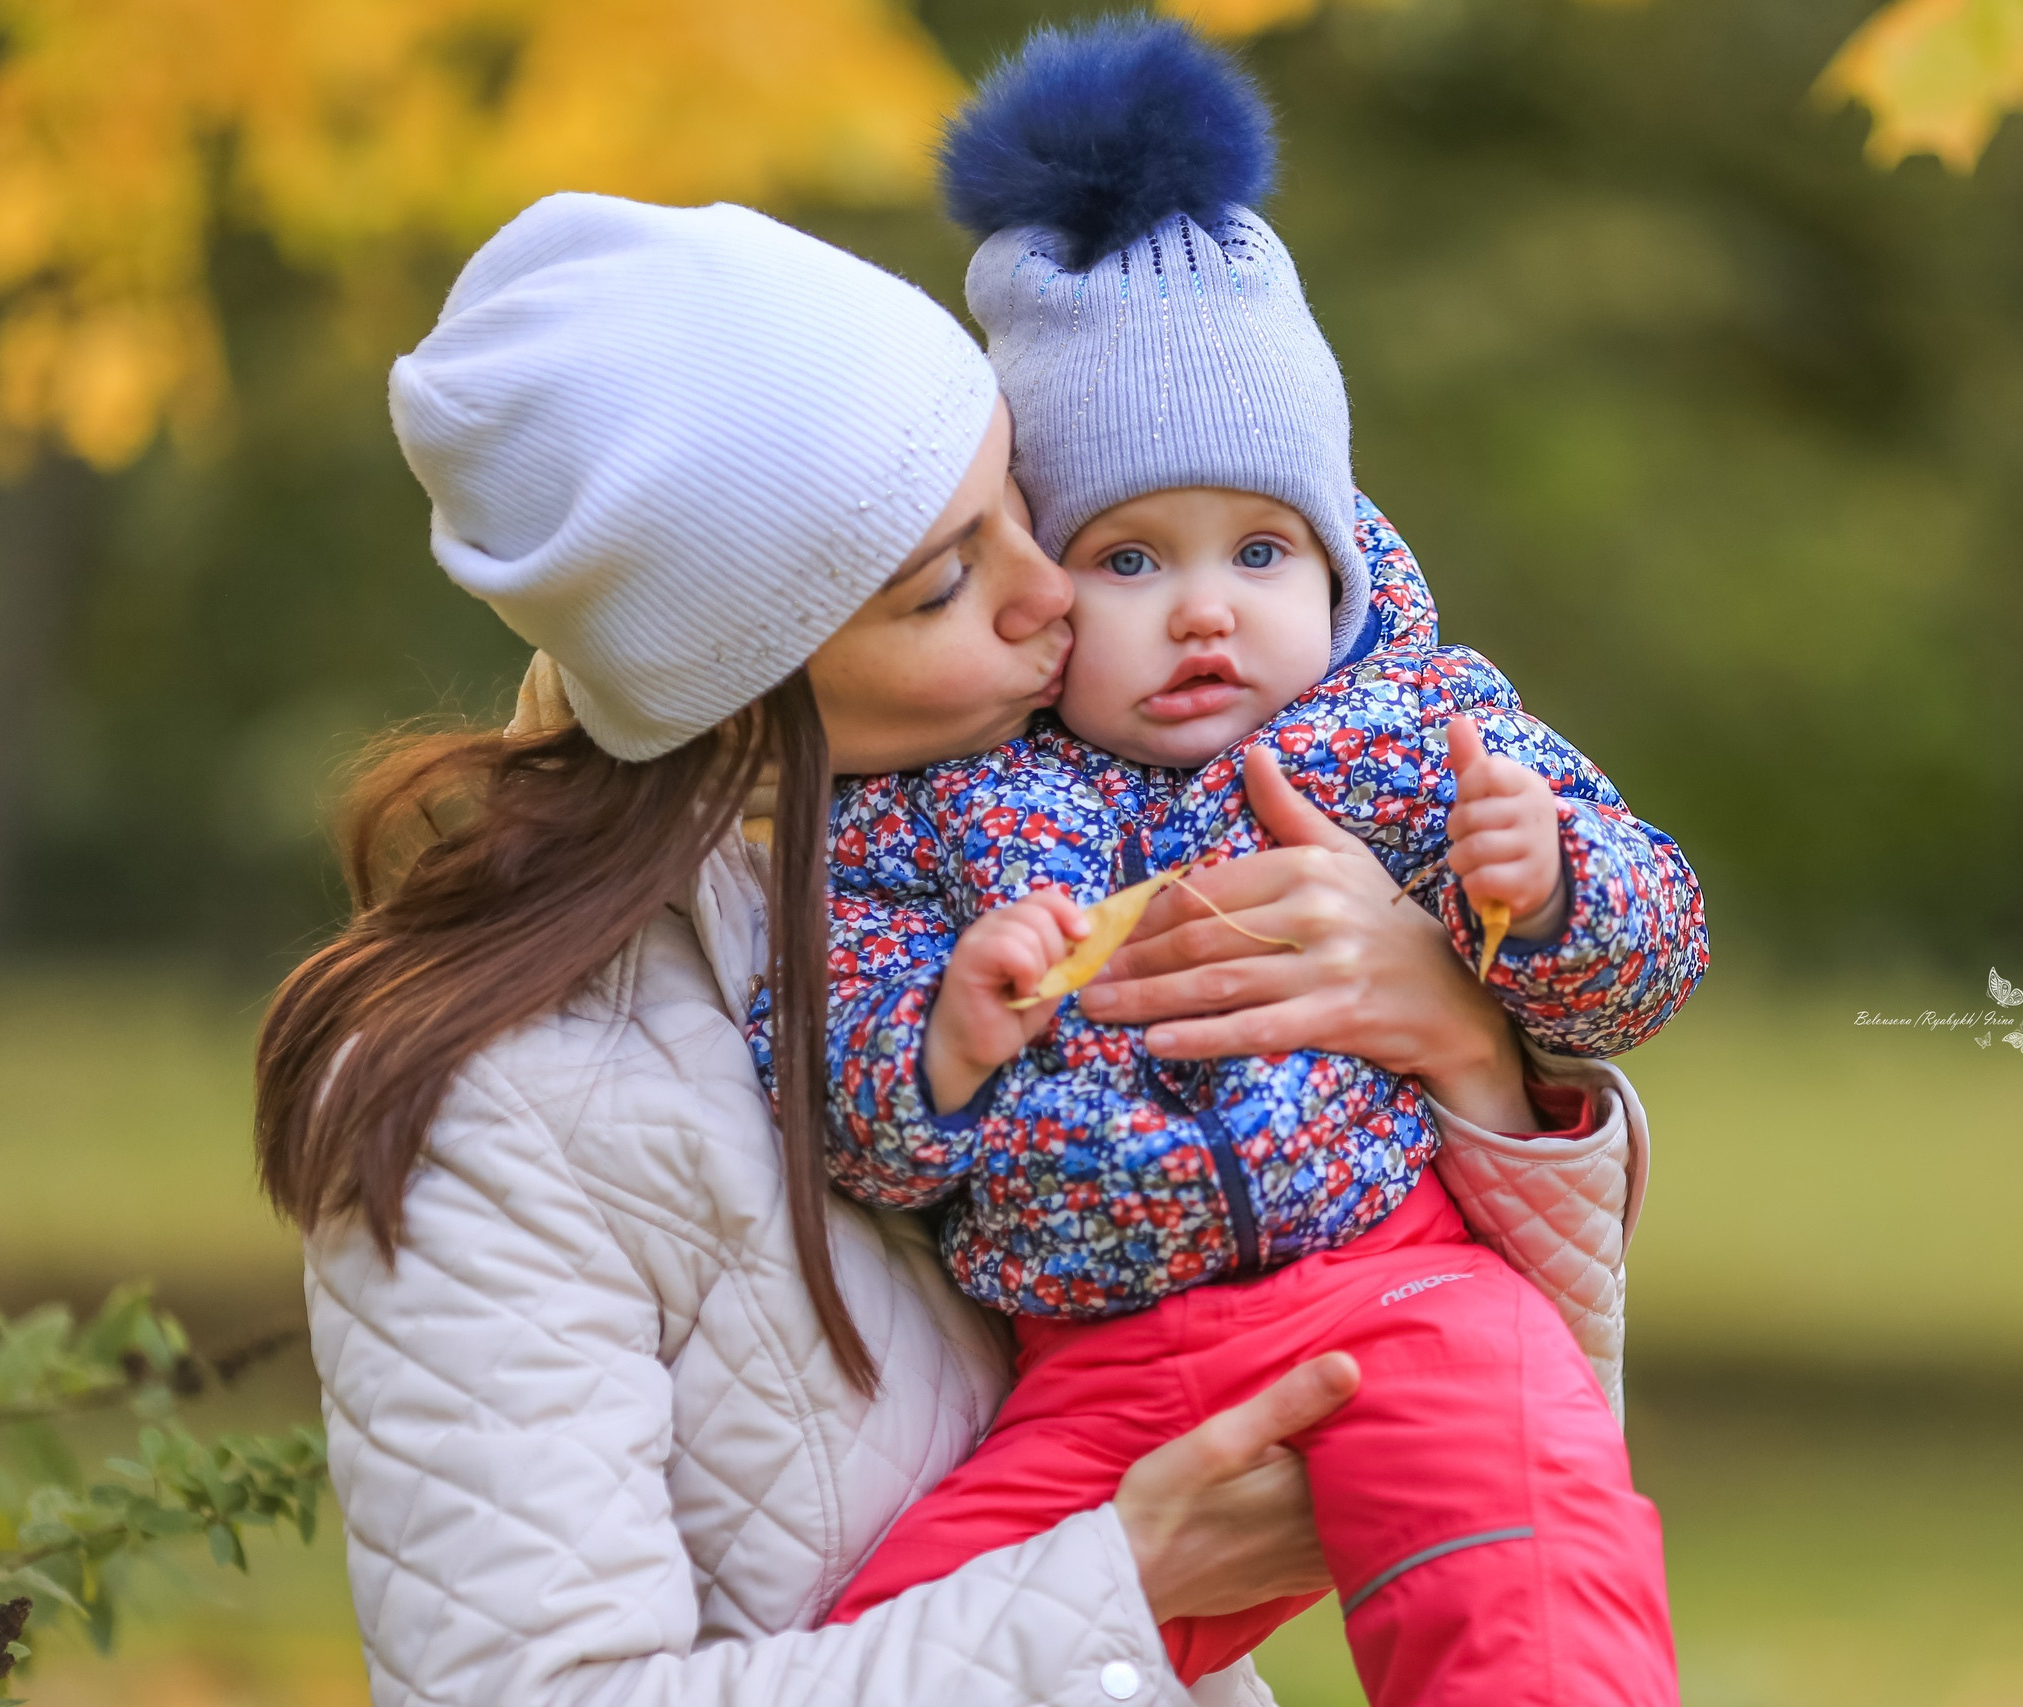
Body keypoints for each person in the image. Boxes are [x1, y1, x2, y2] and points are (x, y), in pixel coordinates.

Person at [252, 191, 1633, 1707]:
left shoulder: (1109, 801)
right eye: (947, 581)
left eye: (1017, 512)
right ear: (740, 678)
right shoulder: (496, 1111)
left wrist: (1465, 1044)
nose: (1056, 595)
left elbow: (1520, 1451)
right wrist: (1128, 1578)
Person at [817, 23, 1702, 1707]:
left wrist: (1554, 880)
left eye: (1262, 547)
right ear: (1036, 585)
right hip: (1097, 1360)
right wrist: (943, 1037)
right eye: (1131, 556)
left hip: (1406, 1295)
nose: (1207, 607)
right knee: (912, 1648)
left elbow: (1652, 958)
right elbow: (846, 1093)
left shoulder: (1418, 730)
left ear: (1340, 550)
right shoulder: (939, 807)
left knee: (1526, 1586)